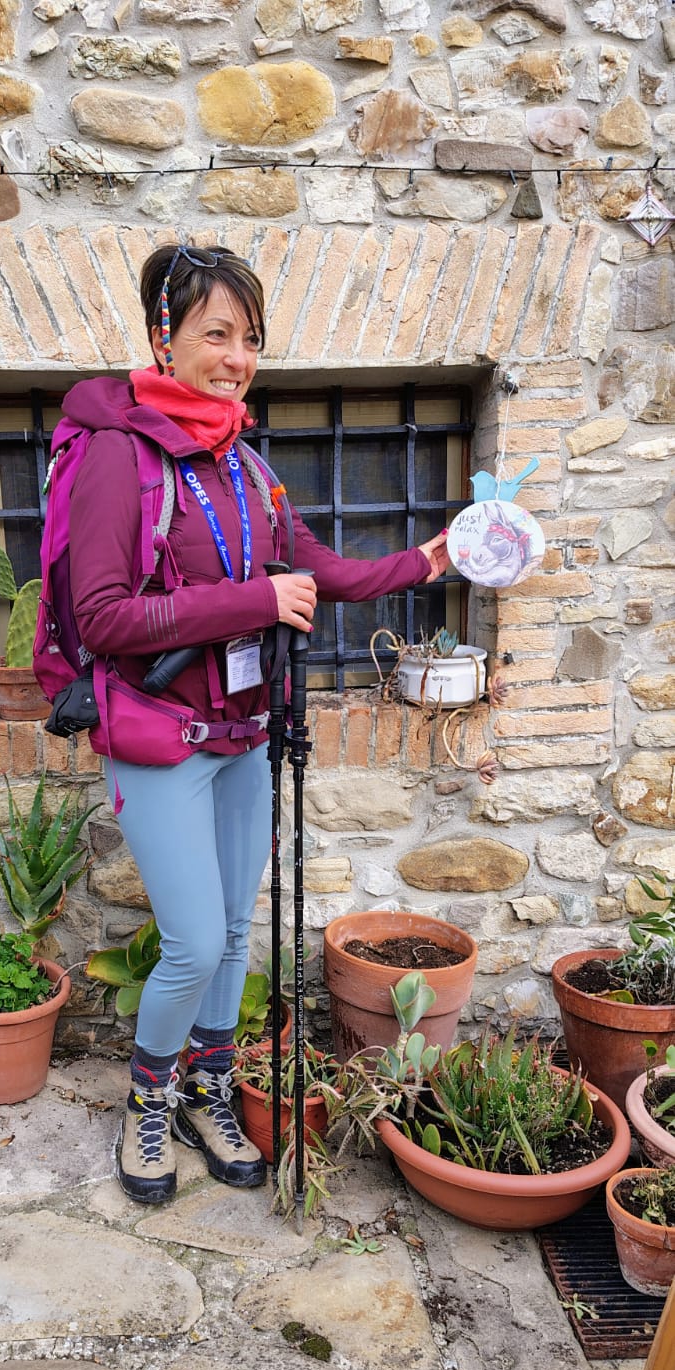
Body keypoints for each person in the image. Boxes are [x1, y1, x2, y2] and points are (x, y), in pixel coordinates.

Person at [66, 244, 450, 1206]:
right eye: (217, 334)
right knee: (195, 943)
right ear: (165, 336)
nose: (237, 358)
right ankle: (147, 1105)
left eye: (251, 339)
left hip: (243, 740)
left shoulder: (245, 465)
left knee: (235, 938)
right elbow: (102, 618)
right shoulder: (119, 454)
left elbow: (322, 572)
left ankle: (206, 1091)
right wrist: (252, 601)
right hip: (160, 740)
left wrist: (432, 561)